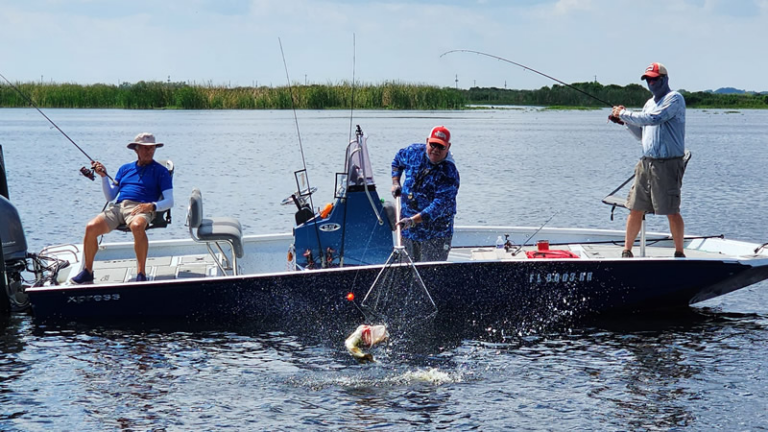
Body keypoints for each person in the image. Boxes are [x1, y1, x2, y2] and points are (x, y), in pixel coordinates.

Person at [69, 133, 174, 283]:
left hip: (141, 208)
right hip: (119, 207)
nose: (149, 151)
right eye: (145, 148)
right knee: (91, 227)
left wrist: (152, 206)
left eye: (152, 148)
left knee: (137, 226)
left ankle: (141, 274)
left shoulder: (161, 171)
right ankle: (87, 271)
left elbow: (170, 201)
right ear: (136, 149)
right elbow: (110, 196)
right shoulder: (125, 169)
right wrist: (104, 177)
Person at [611, 62, 687, 258]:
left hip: (668, 164)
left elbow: (654, 119)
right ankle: (627, 250)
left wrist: (625, 114)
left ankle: (679, 252)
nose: (651, 83)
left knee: (671, 209)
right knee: (635, 207)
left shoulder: (674, 98)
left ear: (664, 79)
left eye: (654, 79)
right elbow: (642, 134)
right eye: (648, 80)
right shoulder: (649, 103)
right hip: (646, 163)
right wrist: (624, 121)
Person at [391, 125, 460, 262]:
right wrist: (395, 182)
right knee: (407, 274)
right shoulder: (413, 152)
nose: (435, 149)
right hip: (408, 231)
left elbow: (438, 207)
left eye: (441, 146)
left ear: (448, 147)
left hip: (435, 234)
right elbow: (397, 161)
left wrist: (412, 221)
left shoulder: (449, 172)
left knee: (429, 276)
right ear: (427, 141)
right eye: (433, 144)